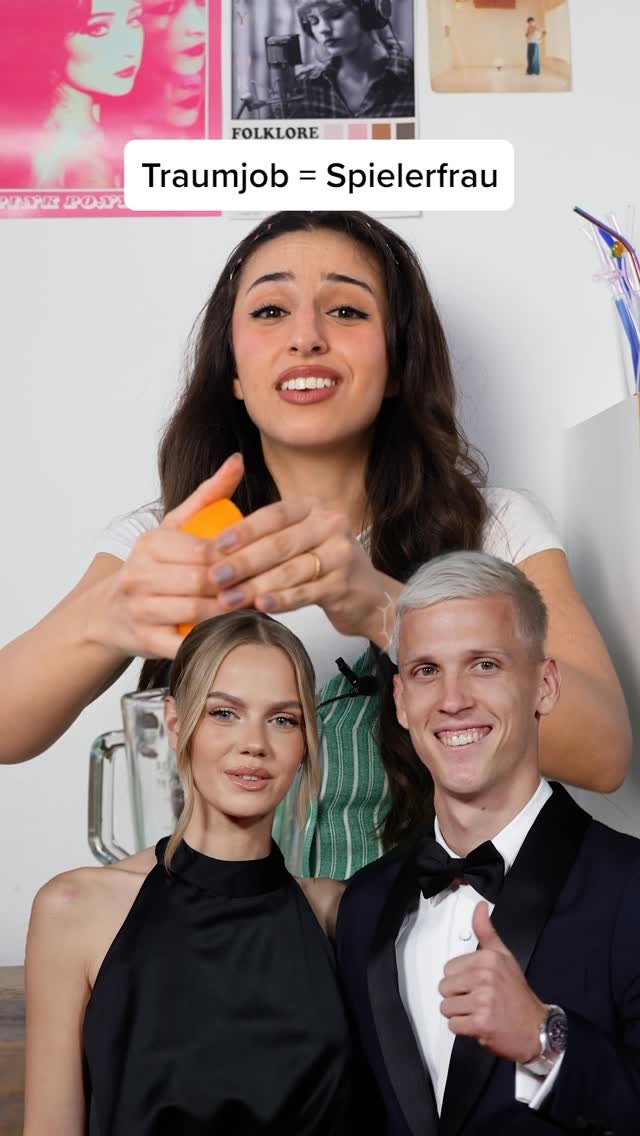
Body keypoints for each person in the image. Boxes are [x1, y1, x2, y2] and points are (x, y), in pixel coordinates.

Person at [0, 210, 630, 883]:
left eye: (347, 311)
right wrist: (108, 617)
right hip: (224, 934)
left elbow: (604, 755)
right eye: (271, 311)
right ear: (233, 370)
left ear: (396, 364)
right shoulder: (166, 542)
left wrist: (391, 612)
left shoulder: (494, 529)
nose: (305, 338)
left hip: (432, 935)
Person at [336, 551, 640, 1136]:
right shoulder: (363, 905)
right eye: (427, 670)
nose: (452, 700)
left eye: (483, 665)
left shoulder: (630, 887)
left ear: (544, 686)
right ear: (400, 701)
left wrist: (543, 1041)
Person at [23, 611, 354, 1135]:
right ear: (176, 724)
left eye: (283, 719)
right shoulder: (75, 910)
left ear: (307, 739)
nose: (254, 743)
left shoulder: (338, 914)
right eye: (224, 713)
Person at [0, 0, 144, 189]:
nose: (128, 48)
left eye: (133, 20)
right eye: (98, 29)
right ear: (47, 39)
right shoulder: (84, 165)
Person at [294, 0, 415, 119]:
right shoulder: (304, 85)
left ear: (368, 13)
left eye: (335, 15)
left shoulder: (414, 79)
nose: (323, 29)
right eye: (314, 21)